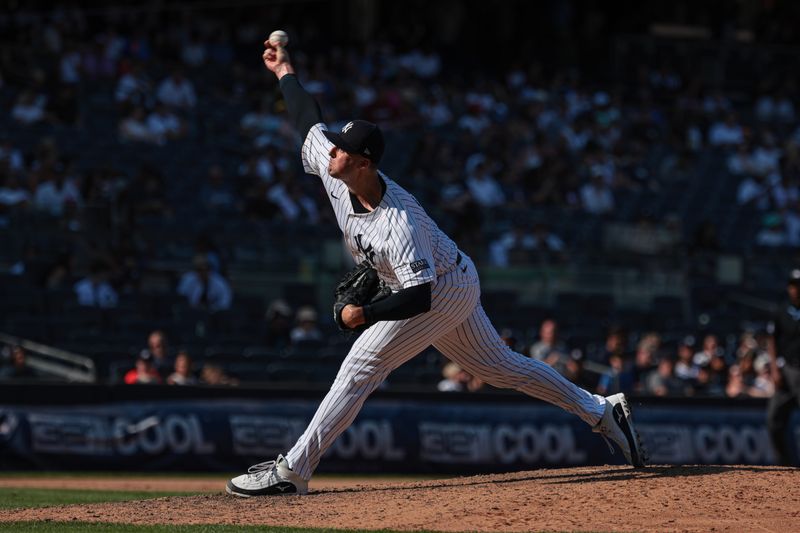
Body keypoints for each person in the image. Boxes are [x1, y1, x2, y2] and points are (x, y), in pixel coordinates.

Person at [225, 35, 648, 498]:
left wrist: (363, 314)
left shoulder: (399, 220)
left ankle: (293, 471)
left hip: (439, 287)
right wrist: (284, 71)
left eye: (343, 148)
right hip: (450, 276)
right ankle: (602, 411)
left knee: (361, 366)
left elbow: (420, 295)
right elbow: (308, 119)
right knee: (503, 368)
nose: (332, 152)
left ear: (364, 163)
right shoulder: (334, 167)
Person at [766, 269, 800, 465]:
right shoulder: (782, 310)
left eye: (799, 285)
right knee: (774, 419)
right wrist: (774, 368)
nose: (796, 289)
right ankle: (785, 463)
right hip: (786, 370)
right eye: (793, 285)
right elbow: (772, 340)